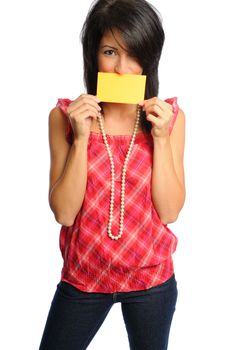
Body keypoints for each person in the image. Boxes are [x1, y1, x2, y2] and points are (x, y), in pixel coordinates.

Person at [39, 0, 185, 349]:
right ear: (93, 56)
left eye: (135, 54)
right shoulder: (63, 118)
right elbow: (63, 212)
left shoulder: (169, 120)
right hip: (84, 278)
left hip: (152, 281)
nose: (123, 69)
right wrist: (82, 138)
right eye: (110, 52)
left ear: (150, 58)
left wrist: (162, 139)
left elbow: (170, 212)